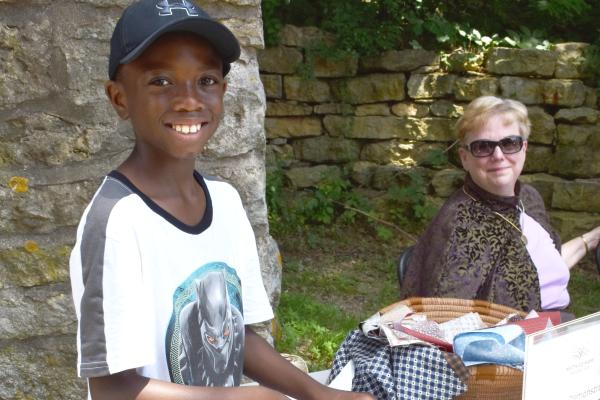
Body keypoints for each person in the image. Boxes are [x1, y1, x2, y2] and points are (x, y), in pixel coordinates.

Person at [68, 1, 374, 399]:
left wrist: (323, 394)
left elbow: (238, 336)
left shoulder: (226, 203)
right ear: (119, 98)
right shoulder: (116, 222)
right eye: (160, 81)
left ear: (224, 91)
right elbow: (113, 388)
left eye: (206, 81)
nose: (189, 99)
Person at [401, 96, 600, 312]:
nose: (498, 155)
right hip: (504, 339)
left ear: (524, 148)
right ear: (464, 158)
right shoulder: (462, 224)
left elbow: (544, 261)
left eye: (509, 143)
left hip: (556, 327)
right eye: (483, 147)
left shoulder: (527, 198)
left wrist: (591, 238)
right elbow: (444, 316)